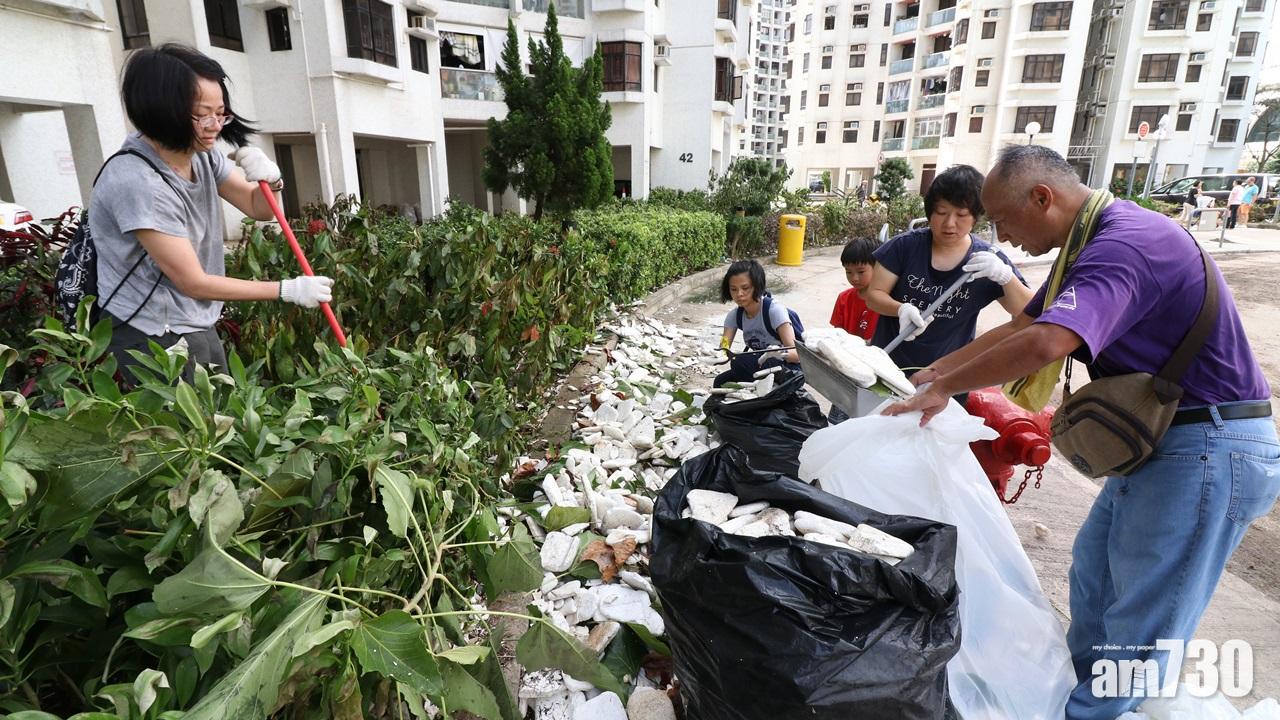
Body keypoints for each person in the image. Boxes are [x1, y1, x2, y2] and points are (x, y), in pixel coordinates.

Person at [886, 145, 1278, 720]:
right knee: (1094, 579)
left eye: (1001, 218)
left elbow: (1049, 342)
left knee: (1141, 620)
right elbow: (1026, 323)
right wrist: (937, 372)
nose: (1002, 235)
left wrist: (948, 388)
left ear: (1042, 198)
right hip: (1160, 444)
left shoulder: (1126, 243)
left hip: (1207, 448)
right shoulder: (1090, 244)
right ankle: (1068, 700)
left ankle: (1091, 713)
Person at [91, 44, 333, 382]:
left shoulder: (201, 155)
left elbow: (258, 208)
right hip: (148, 331)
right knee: (185, 431)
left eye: (221, 113)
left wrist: (272, 180)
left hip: (193, 318)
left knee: (221, 418)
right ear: (161, 110)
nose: (214, 125)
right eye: (202, 114)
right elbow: (193, 281)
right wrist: (287, 290)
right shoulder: (139, 182)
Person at [863, 164, 1033, 375]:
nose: (949, 224)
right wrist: (900, 309)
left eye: (961, 215)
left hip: (946, 376)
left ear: (975, 217)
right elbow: (874, 296)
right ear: (930, 212)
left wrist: (1006, 277)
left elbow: (1028, 312)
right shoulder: (905, 246)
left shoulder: (987, 260)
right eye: (941, 212)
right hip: (887, 366)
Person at [716, 259, 800, 387]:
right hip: (759, 366)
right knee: (720, 382)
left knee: (740, 363)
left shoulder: (774, 311)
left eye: (745, 288)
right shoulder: (734, 316)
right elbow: (724, 347)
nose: (739, 294)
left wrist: (779, 353)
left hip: (785, 367)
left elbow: (797, 355)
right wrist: (719, 354)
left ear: (757, 286)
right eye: (733, 289)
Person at [830, 237, 880, 342]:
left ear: (878, 267)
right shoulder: (843, 298)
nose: (854, 278)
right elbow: (837, 334)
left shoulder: (886, 301)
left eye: (861, 272)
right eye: (848, 272)